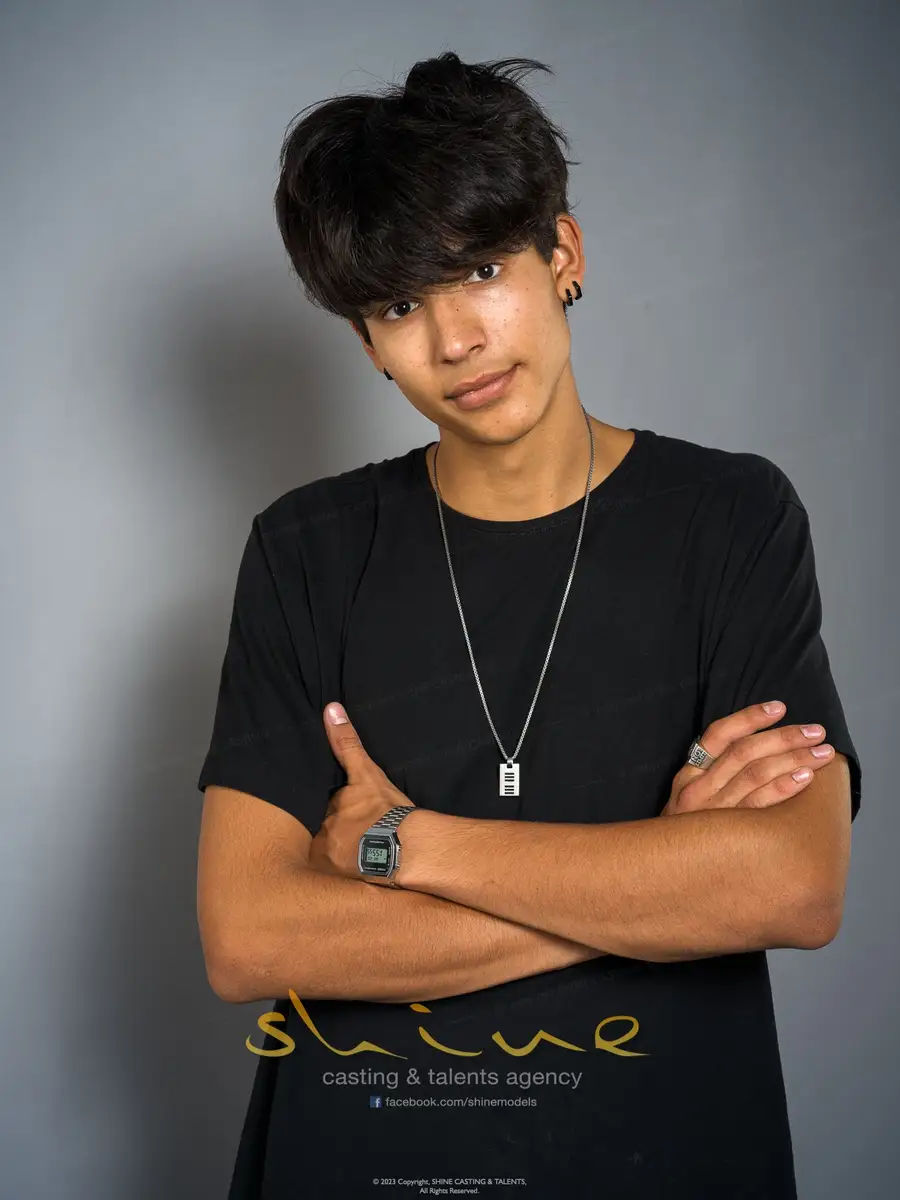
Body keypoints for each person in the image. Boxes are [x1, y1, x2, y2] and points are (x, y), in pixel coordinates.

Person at [196, 52, 861, 1199]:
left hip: (667, 1154)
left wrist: (405, 846)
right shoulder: (305, 548)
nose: (454, 339)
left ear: (565, 255)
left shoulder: (729, 517)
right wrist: (662, 882)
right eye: (400, 306)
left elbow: (795, 886)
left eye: (482, 269)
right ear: (367, 344)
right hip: (368, 1155)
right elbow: (248, 940)